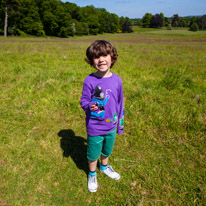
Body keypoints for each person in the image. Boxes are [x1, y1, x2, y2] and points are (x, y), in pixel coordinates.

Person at [80, 40, 124, 192]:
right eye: (97, 57)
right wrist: (88, 105)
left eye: (105, 55)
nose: (101, 60)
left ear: (112, 58)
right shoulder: (90, 80)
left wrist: (120, 124)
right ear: (92, 61)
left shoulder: (117, 79)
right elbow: (84, 100)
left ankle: (104, 167)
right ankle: (92, 173)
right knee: (93, 153)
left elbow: (120, 102)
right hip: (95, 126)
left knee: (107, 150)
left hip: (111, 125)